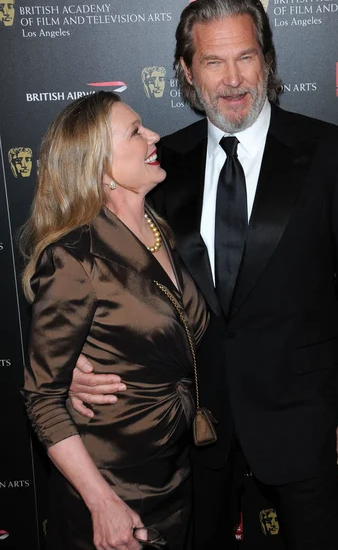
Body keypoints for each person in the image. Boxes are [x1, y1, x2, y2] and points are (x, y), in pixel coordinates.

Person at [70, 0, 338, 550]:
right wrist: (74, 357)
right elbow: (102, 276)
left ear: (266, 60)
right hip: (191, 428)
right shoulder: (158, 164)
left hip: (309, 420)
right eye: (213, 61)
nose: (233, 79)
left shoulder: (329, 151)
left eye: (245, 56)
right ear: (186, 71)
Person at [21, 91, 208, 550]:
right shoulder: (75, 258)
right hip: (112, 489)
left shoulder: (161, 228)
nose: (154, 135)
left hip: (175, 473)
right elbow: (42, 399)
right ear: (99, 167)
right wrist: (101, 503)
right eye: (135, 131)